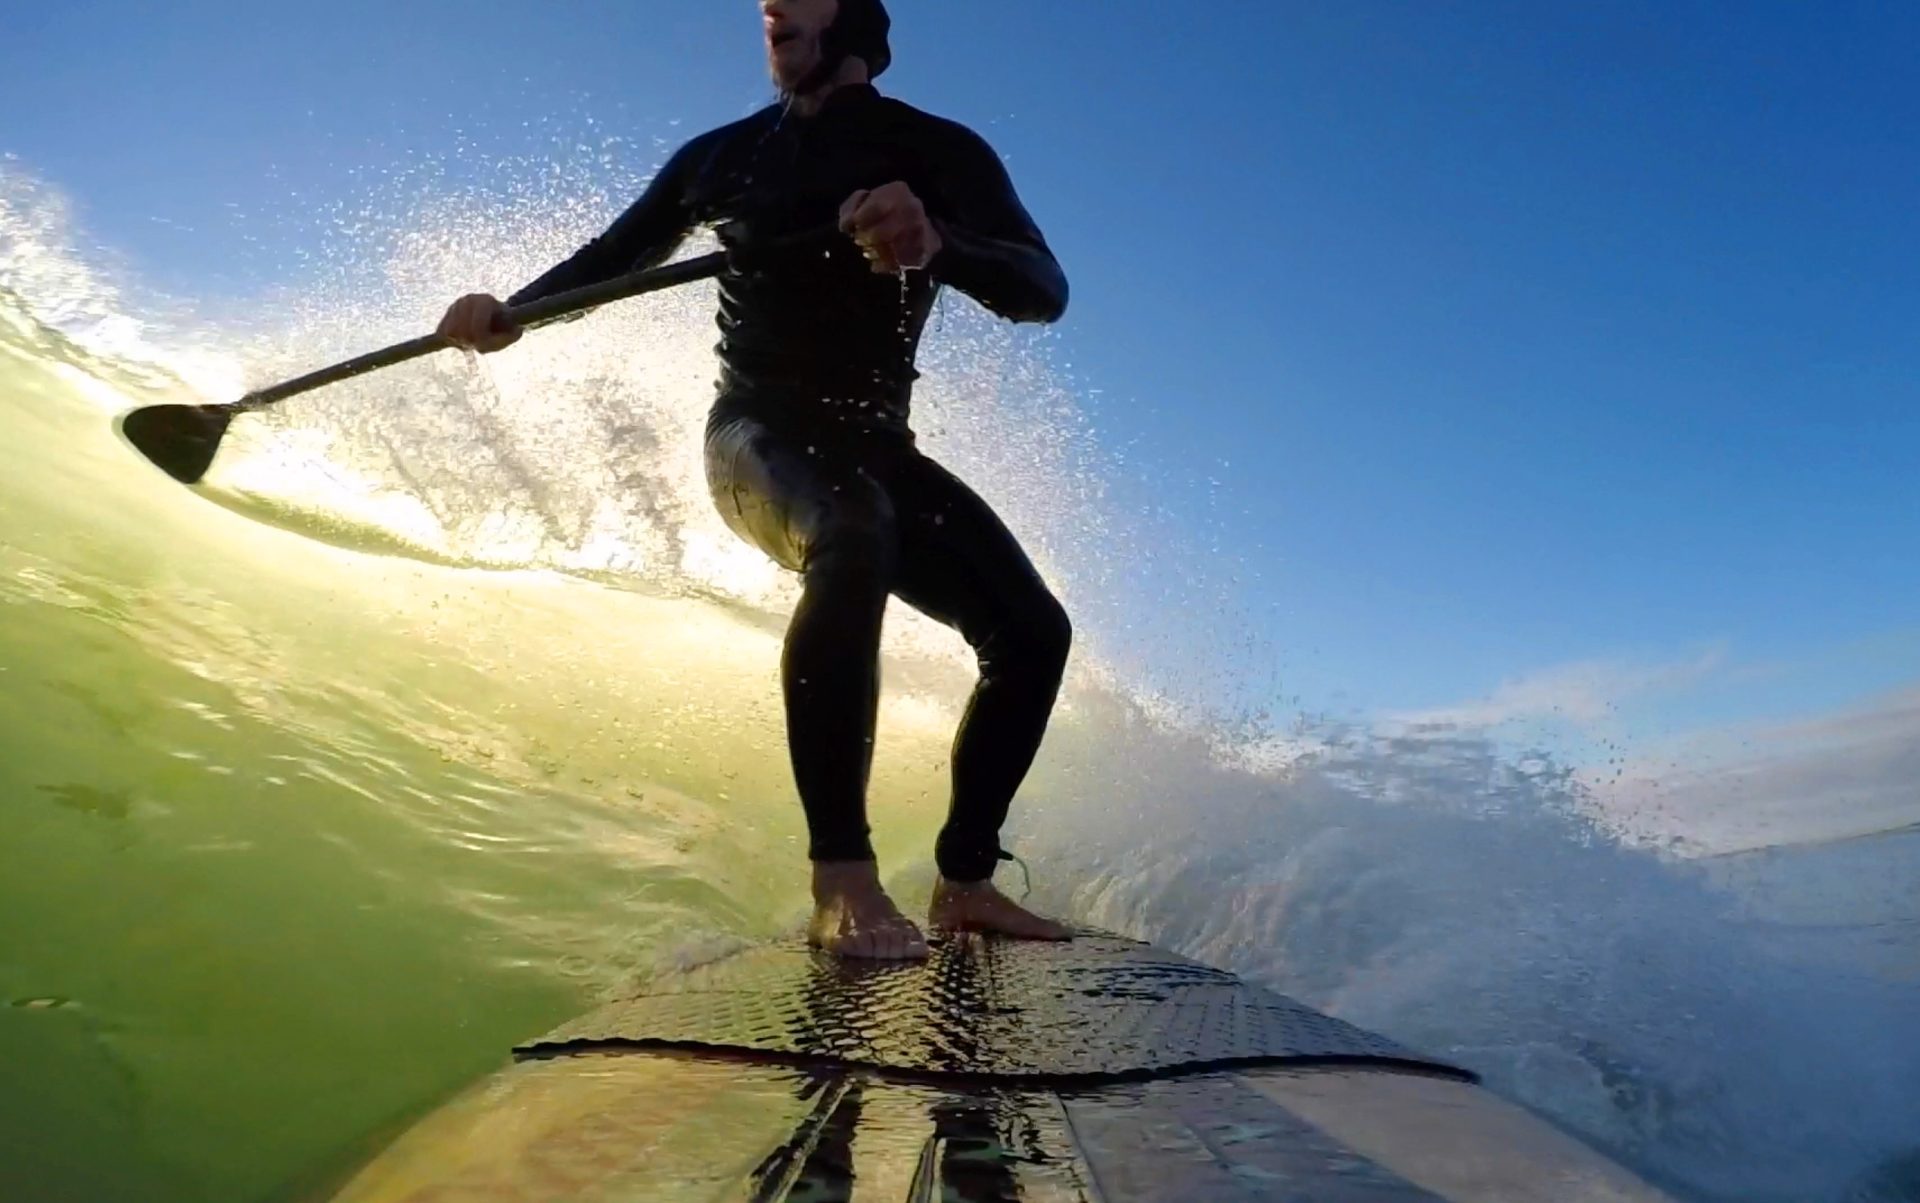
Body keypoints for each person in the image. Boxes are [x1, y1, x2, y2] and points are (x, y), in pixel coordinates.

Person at [437, 0, 1073, 960]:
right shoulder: (722, 157)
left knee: (1032, 632)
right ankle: (842, 882)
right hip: (756, 436)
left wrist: (939, 238)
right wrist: (511, 310)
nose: (768, 5)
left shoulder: (939, 153)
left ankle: (966, 881)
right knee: (852, 537)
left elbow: (1041, 286)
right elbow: (617, 258)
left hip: (877, 446)